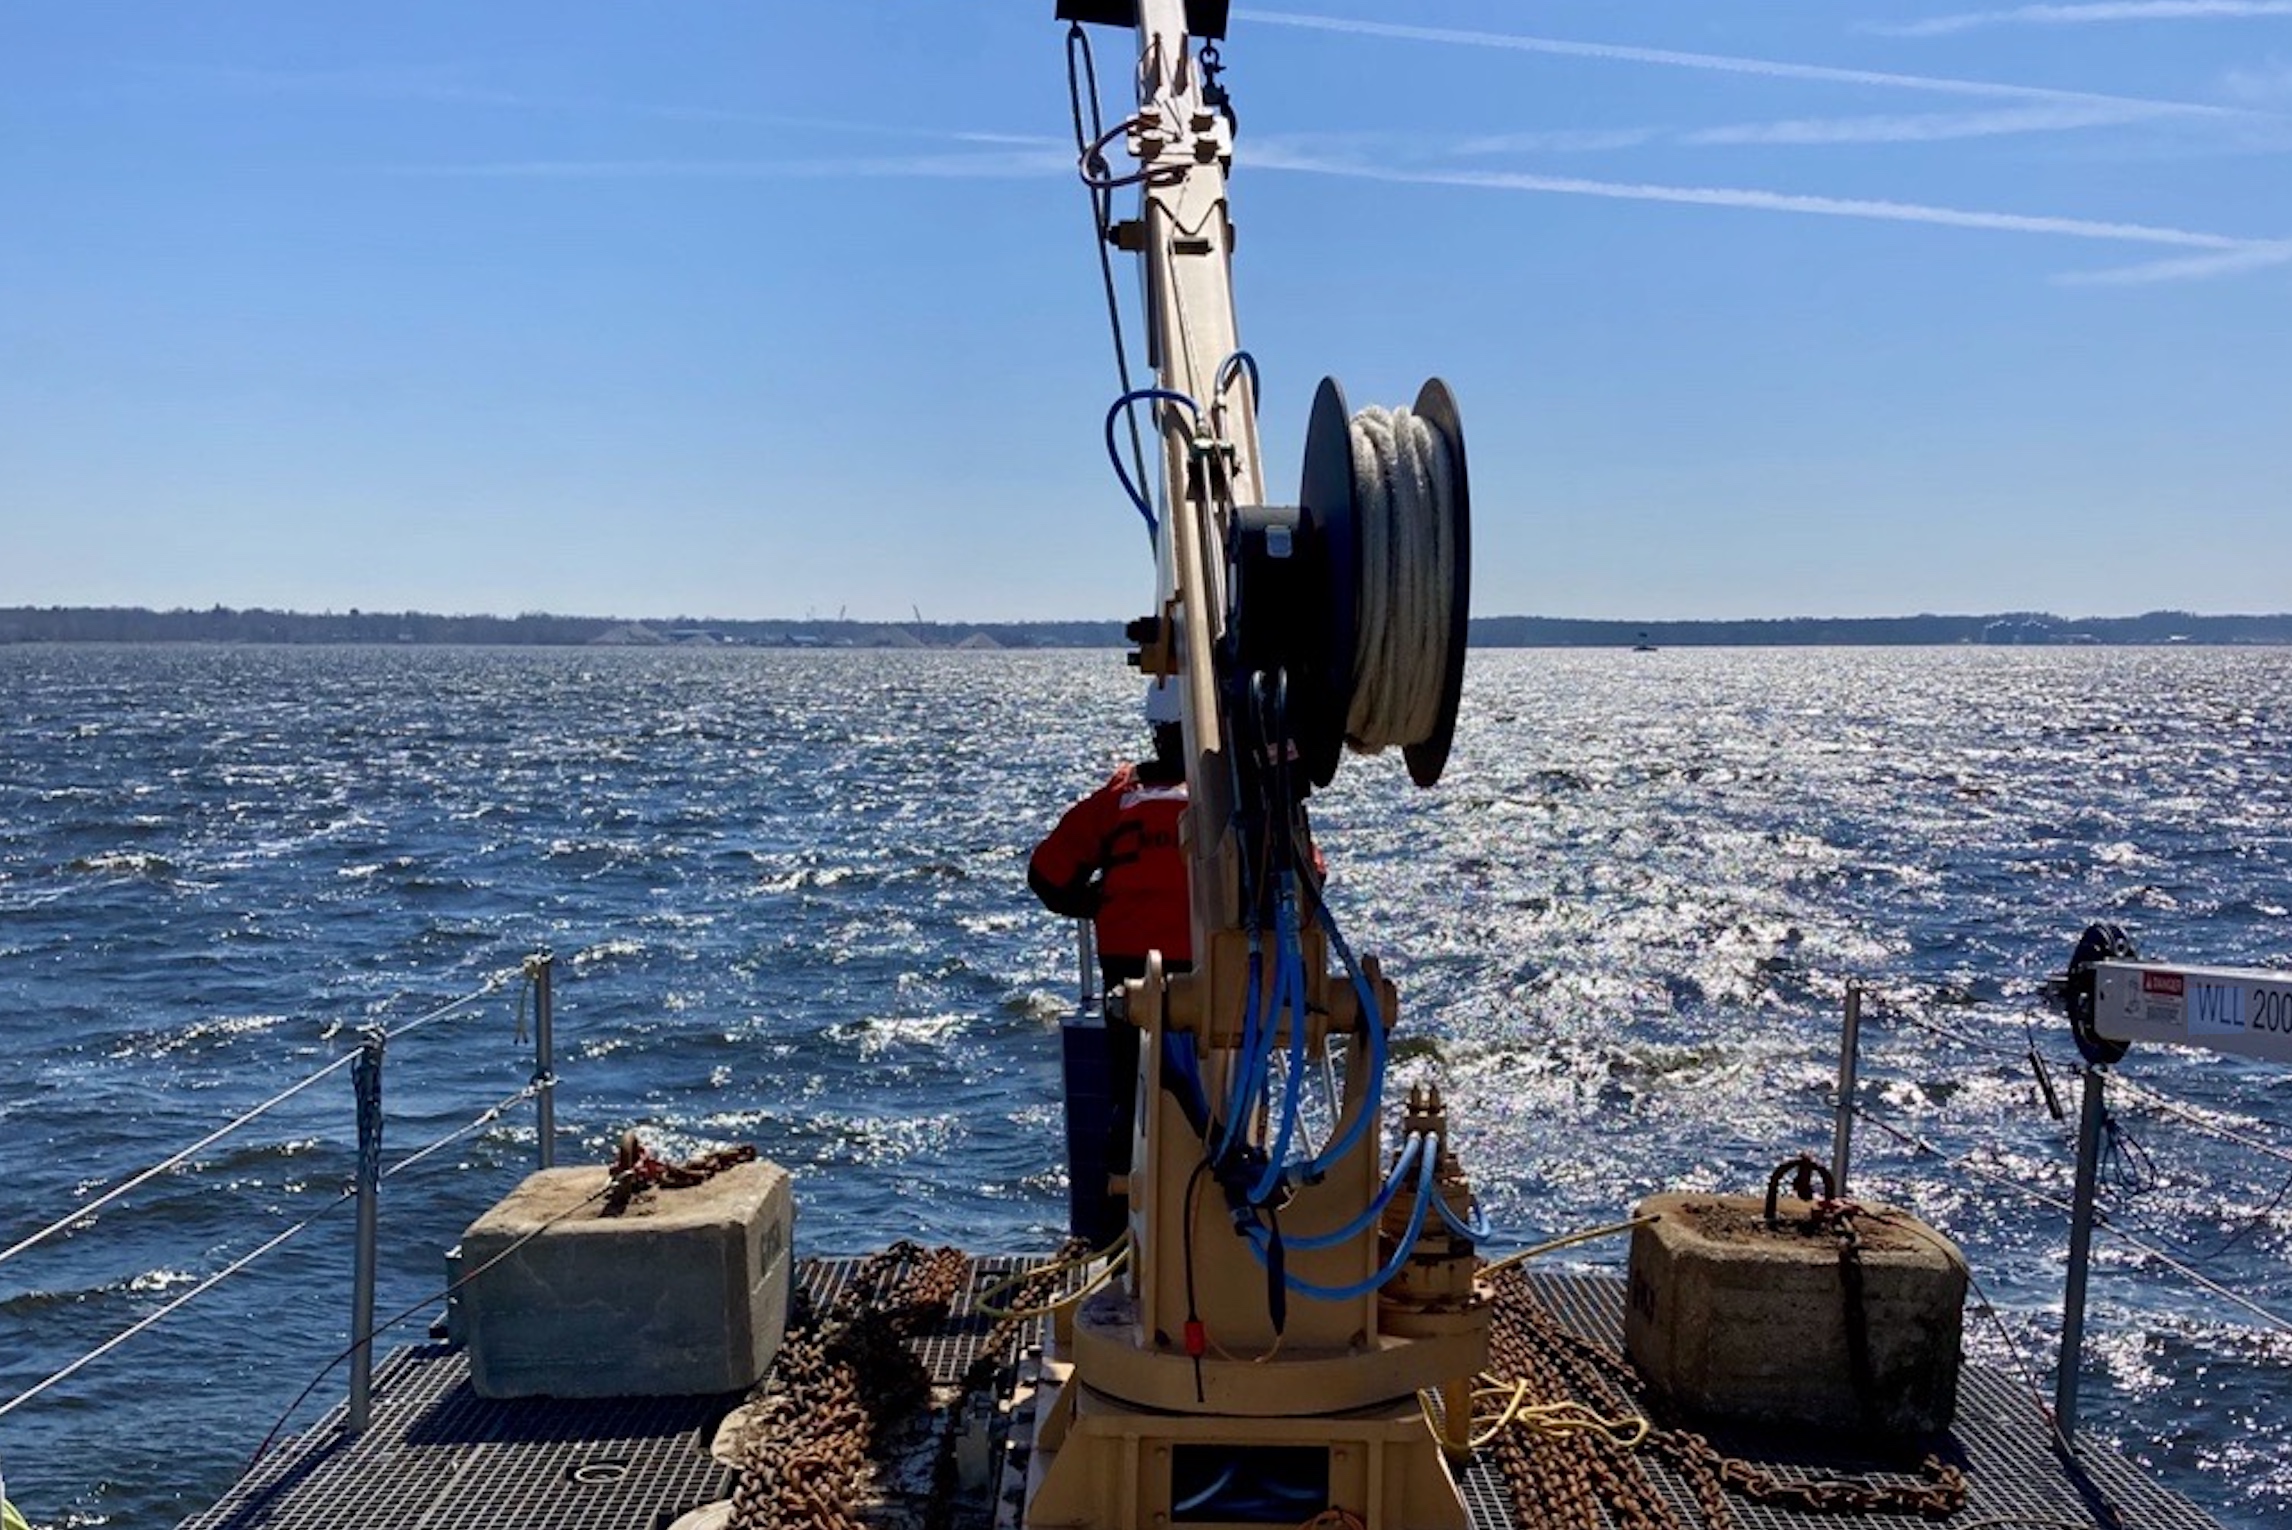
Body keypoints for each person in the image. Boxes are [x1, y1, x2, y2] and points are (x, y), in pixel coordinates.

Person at [1029, 678, 1193, 1239]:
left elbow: (1048, 875)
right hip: (1216, 970)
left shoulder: (1121, 797)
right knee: (1229, 1088)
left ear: (1158, 729)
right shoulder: (1243, 797)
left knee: (1133, 1092)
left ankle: (1118, 1229)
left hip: (1131, 969)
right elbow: (1309, 874)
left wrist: (1094, 902)